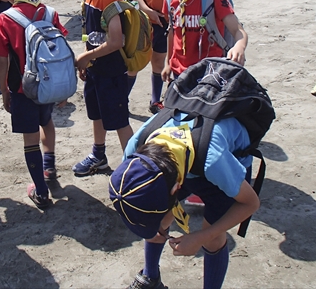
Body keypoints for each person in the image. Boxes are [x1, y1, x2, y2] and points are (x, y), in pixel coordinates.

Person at [109, 113, 260, 289]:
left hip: (225, 160)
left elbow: (251, 203)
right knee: (162, 219)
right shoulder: (134, 150)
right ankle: (151, 278)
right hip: (183, 160)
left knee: (213, 238)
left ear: (176, 188)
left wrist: (201, 237)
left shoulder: (214, 162)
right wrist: (154, 223)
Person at [161, 0, 248, 207]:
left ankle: (207, 185)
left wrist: (240, 47)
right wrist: (167, 62)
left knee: (203, 135)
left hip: (209, 80)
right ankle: (185, 179)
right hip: (179, 76)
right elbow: (173, 30)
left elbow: (237, 30)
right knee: (178, 130)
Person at [0, 0, 66, 208]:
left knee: (30, 139)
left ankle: (41, 192)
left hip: (23, 89)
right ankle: (50, 165)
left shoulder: (5, 19)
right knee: (47, 121)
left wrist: (3, 90)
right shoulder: (50, 12)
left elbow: (1, 59)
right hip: (48, 85)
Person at [62, 0, 134, 176]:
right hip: (95, 69)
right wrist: (86, 57)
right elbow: (88, 30)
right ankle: (98, 155)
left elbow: (116, 41)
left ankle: (134, 166)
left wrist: (87, 57)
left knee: (119, 120)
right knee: (97, 113)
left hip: (111, 70)